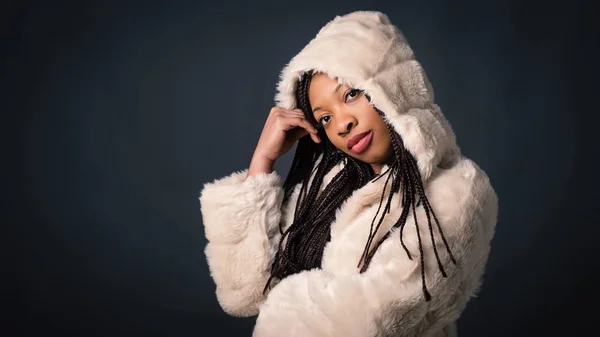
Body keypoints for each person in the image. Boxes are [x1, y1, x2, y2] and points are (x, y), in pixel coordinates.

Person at [198, 10, 498, 337]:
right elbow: (245, 292)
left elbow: (368, 320)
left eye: (351, 95)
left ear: (393, 88)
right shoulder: (328, 189)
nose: (342, 124)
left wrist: (284, 305)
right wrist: (262, 161)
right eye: (324, 117)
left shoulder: (458, 190)